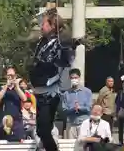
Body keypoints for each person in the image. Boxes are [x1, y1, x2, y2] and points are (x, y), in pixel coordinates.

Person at [28, 9, 82, 151]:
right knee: (40, 131)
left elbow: (67, 59)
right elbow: (42, 15)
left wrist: (73, 45)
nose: (41, 26)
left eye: (44, 24)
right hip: (39, 91)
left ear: (52, 27)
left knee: (45, 130)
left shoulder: (60, 43)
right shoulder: (43, 40)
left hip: (50, 92)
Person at [0, 66, 27, 141]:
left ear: (15, 76)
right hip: (4, 121)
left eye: (12, 75)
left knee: (18, 142)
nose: (10, 77)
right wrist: (6, 86)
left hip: (17, 121)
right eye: (8, 75)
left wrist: (17, 87)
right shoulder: (1, 89)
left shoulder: (19, 89)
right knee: (4, 143)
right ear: (6, 76)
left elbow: (24, 99)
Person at [62, 68, 92, 139]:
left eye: (76, 77)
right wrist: (73, 109)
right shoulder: (66, 93)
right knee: (71, 147)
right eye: (72, 78)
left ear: (79, 77)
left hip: (84, 124)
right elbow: (64, 110)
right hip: (71, 124)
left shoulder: (87, 92)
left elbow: (89, 108)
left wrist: (80, 108)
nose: (74, 80)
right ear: (70, 79)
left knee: (84, 146)